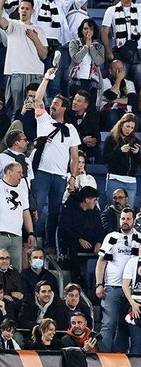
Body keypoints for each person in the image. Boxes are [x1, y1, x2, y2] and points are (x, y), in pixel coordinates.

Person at [30, 67, 80, 249]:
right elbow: (37, 99)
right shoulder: (44, 120)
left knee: (54, 211)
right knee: (38, 209)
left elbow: (74, 157)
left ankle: (50, 243)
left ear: (65, 108)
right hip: (42, 173)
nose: (53, 105)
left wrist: (72, 177)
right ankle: (33, 240)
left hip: (59, 176)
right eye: (53, 103)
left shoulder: (71, 129)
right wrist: (46, 78)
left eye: (57, 103)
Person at [95, 208, 140, 352]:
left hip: (133, 290)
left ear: (134, 220)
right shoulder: (112, 237)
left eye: (128, 219)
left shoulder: (140, 238)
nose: (125, 222)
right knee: (108, 323)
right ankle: (102, 356)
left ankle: (121, 358)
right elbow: (101, 262)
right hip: (112, 287)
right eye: (123, 218)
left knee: (126, 325)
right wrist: (99, 284)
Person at [0, 0, 48, 118]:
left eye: (27, 8)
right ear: (18, 10)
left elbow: (44, 55)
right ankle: (15, 135)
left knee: (37, 110)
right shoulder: (13, 25)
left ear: (32, 11)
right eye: (22, 8)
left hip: (36, 74)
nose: (24, 11)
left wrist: (35, 38)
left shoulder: (40, 30)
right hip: (17, 73)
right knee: (16, 110)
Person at [100, 0, 141, 87]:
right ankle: (121, 100)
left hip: (138, 50)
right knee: (121, 82)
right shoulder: (111, 10)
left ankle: (140, 100)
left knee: (140, 81)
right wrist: (108, 51)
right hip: (119, 51)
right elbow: (104, 31)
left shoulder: (139, 8)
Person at [0, 162, 34, 270]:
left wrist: (31, 233)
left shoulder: (22, 190)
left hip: (16, 237)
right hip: (1, 234)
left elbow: (26, 213)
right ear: (9, 172)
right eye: (19, 172)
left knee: (15, 270)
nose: (21, 175)